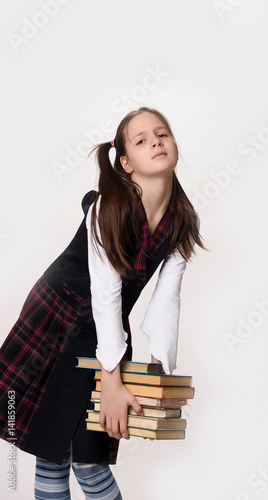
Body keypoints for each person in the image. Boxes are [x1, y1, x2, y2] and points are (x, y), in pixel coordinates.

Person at [0, 107, 205, 499]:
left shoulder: (182, 220)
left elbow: (166, 301)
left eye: (162, 134)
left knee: (90, 464)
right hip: (59, 317)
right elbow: (107, 292)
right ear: (125, 163)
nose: (156, 142)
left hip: (105, 329)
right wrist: (111, 377)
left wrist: (158, 378)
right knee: (53, 455)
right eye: (142, 140)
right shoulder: (106, 208)